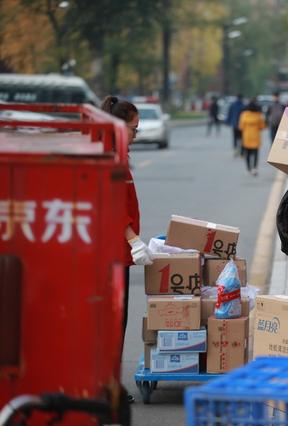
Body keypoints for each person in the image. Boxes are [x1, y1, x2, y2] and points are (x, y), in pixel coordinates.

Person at [101, 95, 153, 403]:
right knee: (111, 323)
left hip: (116, 255)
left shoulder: (115, 156)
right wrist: (133, 240)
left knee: (115, 323)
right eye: (134, 128)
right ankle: (105, 388)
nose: (136, 134)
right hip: (110, 257)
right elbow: (111, 206)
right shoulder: (108, 160)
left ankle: (109, 385)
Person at [238, 98, 266, 176]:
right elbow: (262, 126)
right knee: (255, 154)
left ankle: (248, 169)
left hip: (246, 137)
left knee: (247, 154)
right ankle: (254, 168)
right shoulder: (259, 115)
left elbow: (241, 127)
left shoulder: (244, 115)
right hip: (256, 137)